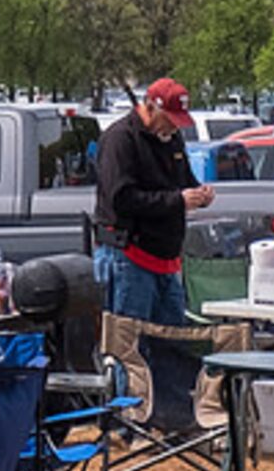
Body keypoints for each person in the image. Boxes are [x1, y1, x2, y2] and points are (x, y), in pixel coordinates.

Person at [92, 78, 216, 434]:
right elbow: (121, 197)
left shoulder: (172, 139)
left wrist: (197, 192)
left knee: (172, 340)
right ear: (151, 106)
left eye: (178, 122)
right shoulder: (120, 139)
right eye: (169, 119)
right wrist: (177, 201)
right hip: (128, 253)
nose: (173, 128)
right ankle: (123, 422)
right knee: (127, 343)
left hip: (165, 257)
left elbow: (183, 180)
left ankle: (173, 418)